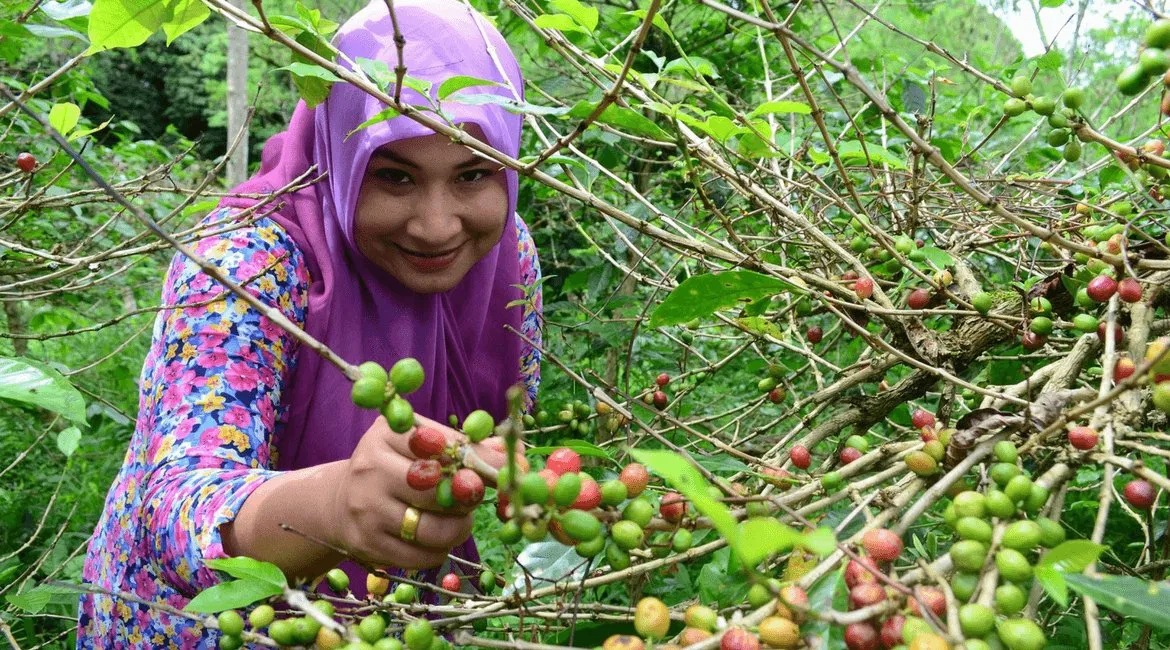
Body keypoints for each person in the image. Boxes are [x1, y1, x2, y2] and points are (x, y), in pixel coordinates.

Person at [76, 1, 541, 646]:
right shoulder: (246, 265)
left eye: (473, 174)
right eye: (394, 176)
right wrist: (334, 508)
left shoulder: (507, 259)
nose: (438, 226)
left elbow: (511, 423)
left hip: (386, 613)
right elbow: (172, 508)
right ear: (337, 157)